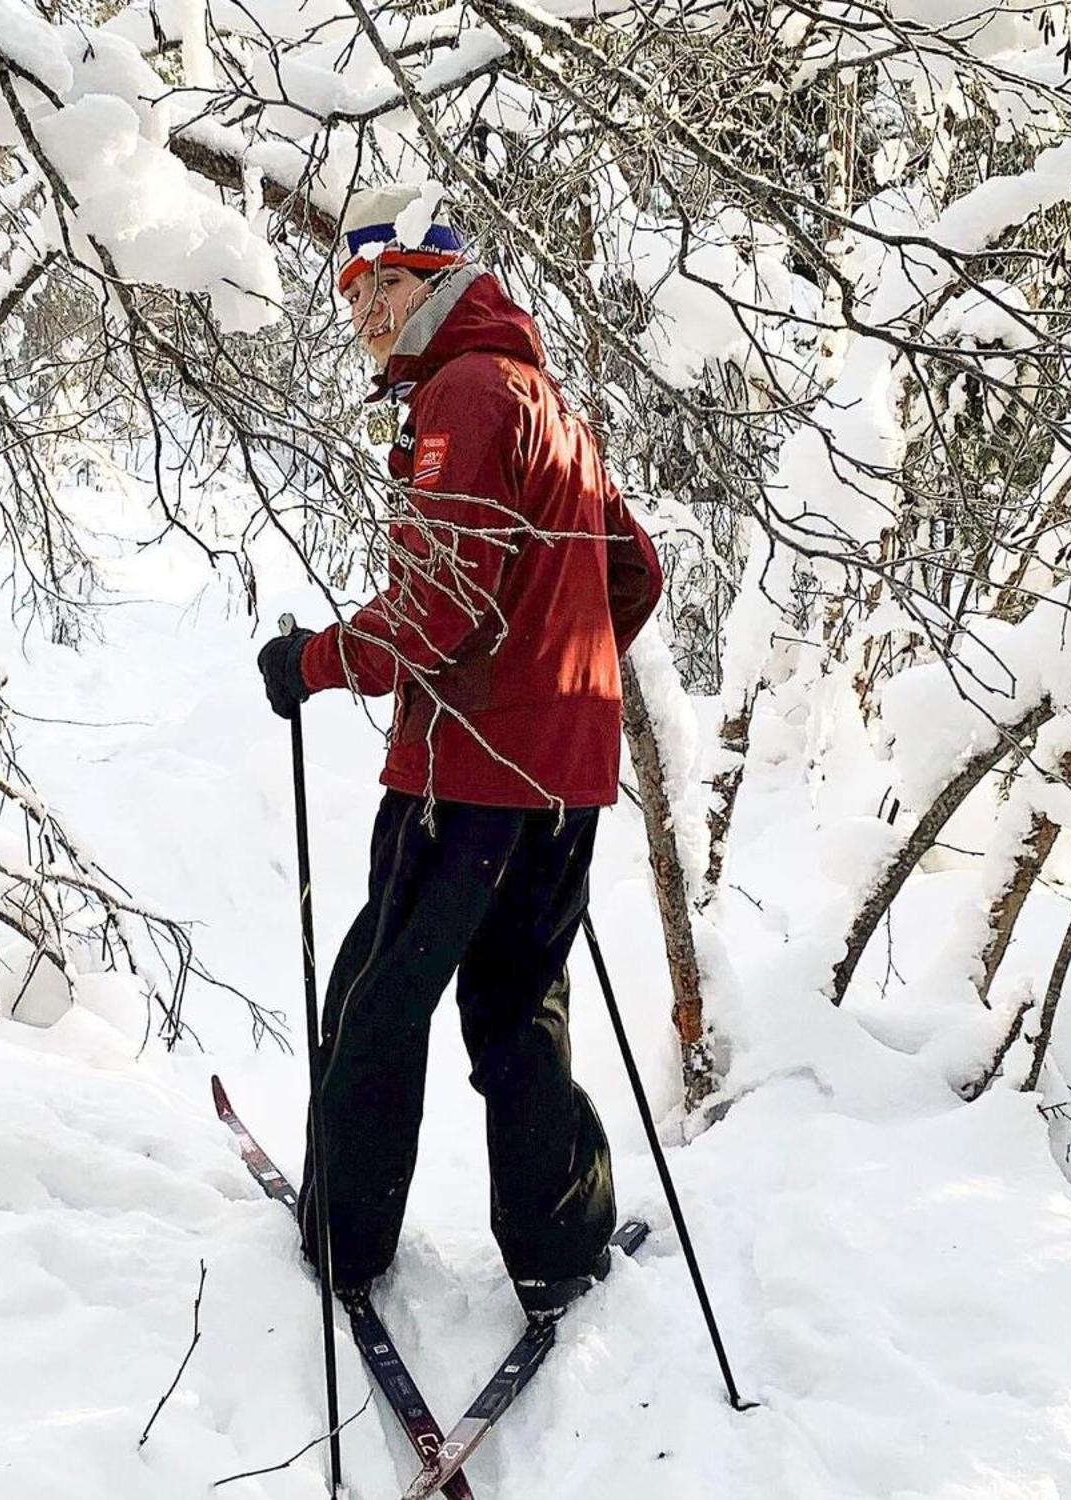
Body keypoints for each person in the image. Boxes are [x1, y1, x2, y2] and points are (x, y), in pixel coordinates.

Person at [255, 184, 663, 1322]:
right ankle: (555, 1244)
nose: (365, 312)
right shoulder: (548, 403)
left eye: (385, 283)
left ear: (440, 281)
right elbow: (630, 575)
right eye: (352, 293)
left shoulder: (465, 397)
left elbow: (435, 605)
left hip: (464, 780)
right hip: (561, 781)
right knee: (517, 1007)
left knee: (378, 1002)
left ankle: (344, 1243)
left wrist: (313, 661)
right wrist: (553, 686)